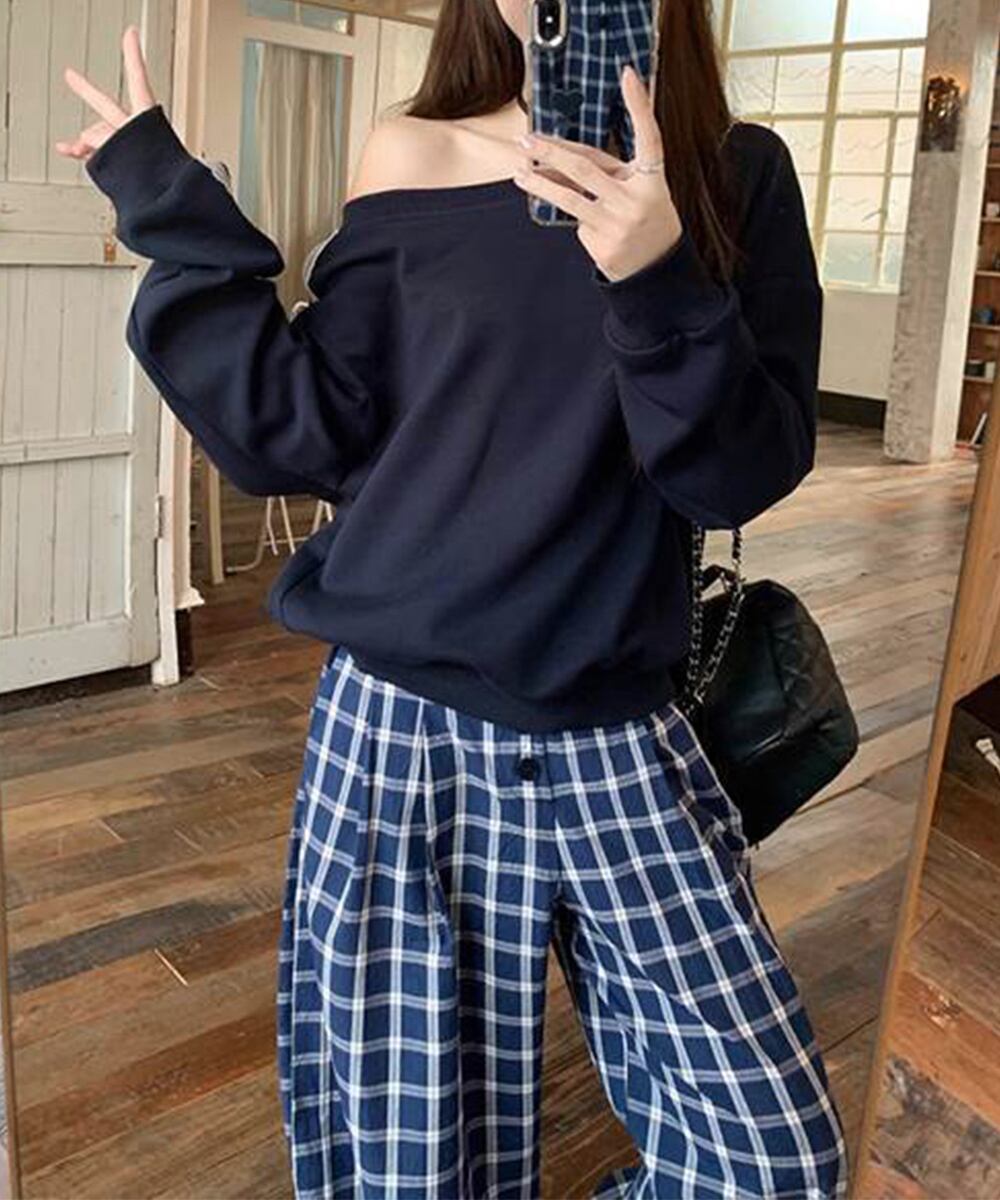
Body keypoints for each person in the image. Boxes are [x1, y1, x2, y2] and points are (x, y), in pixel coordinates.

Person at [57, 3, 848, 1197]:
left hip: (618, 738)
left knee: (770, 1162)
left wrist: (657, 278)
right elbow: (305, 434)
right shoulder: (411, 150)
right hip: (397, 738)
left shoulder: (737, 174)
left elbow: (738, 476)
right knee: (412, 1173)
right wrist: (174, 212)